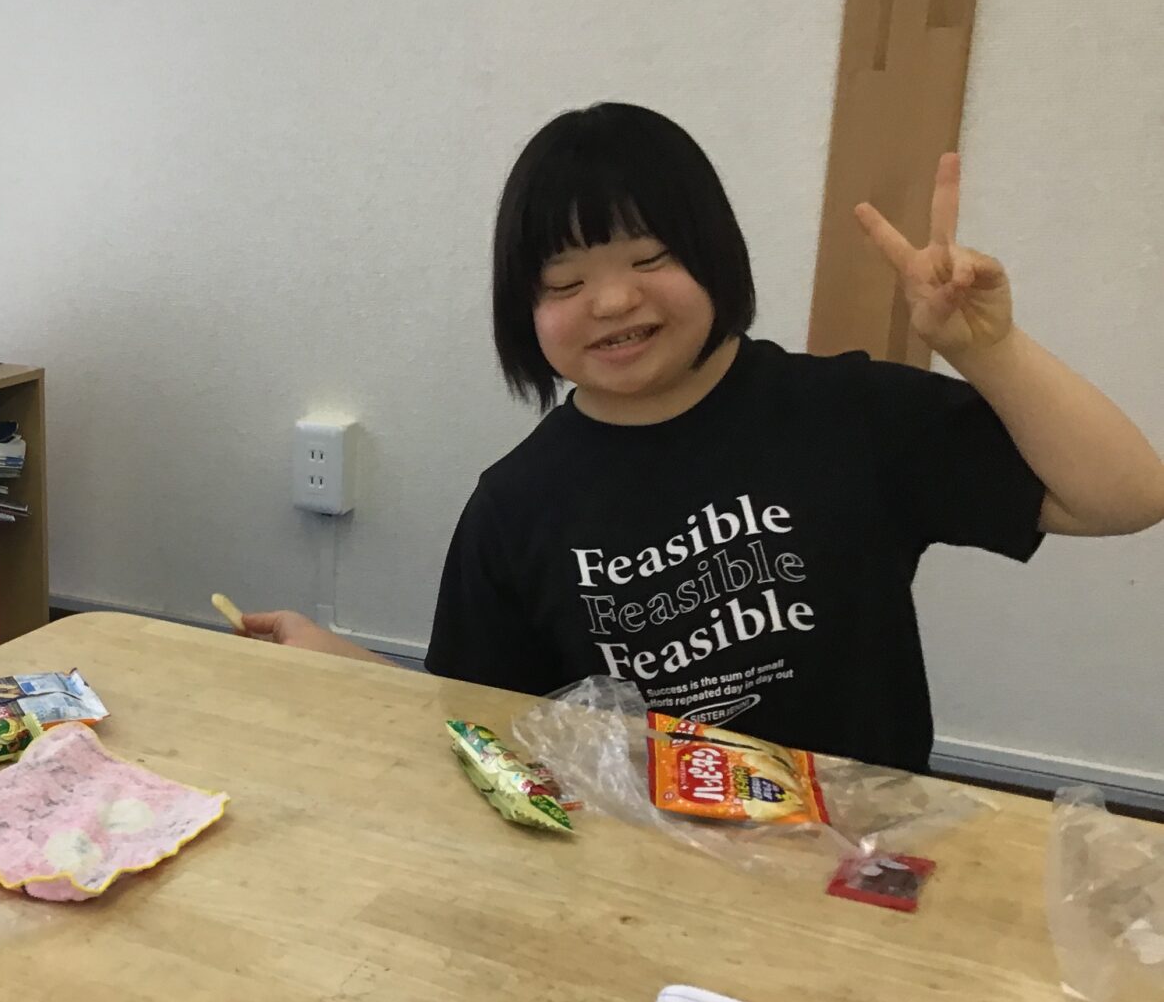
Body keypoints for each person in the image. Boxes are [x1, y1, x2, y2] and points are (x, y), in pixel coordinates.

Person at [244, 103, 1164, 772]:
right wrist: (343, 666)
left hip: (859, 869)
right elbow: (478, 727)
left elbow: (1126, 495)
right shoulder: (515, 503)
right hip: (641, 876)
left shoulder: (848, 414)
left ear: (716, 252)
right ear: (523, 311)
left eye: (650, 258)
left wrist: (986, 350)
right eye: (564, 283)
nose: (613, 299)